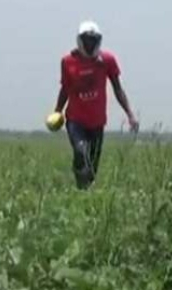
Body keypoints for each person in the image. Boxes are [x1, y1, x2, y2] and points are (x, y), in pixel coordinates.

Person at [53, 20, 139, 189]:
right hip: (75, 120)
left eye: (94, 40)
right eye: (87, 40)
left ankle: (83, 191)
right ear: (79, 40)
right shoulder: (67, 62)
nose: (90, 44)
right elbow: (65, 89)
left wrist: (130, 114)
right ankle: (80, 176)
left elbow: (118, 89)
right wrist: (58, 111)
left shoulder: (107, 60)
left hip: (97, 122)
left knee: (91, 168)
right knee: (81, 151)